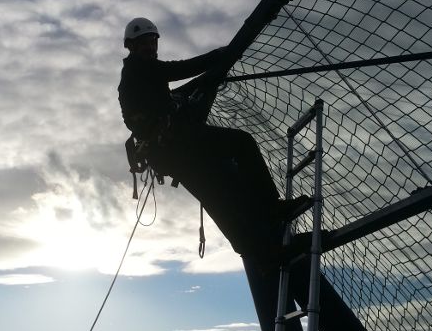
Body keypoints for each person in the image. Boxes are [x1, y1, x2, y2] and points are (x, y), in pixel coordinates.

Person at [118, 17, 310, 262]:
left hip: (170, 153)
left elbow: (165, 88)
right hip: (176, 143)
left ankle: (260, 253)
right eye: (143, 43)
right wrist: (220, 55)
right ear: (131, 47)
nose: (150, 47)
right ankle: (271, 209)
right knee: (242, 144)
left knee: (217, 197)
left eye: (152, 41)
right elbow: (180, 68)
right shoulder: (140, 69)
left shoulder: (139, 75)